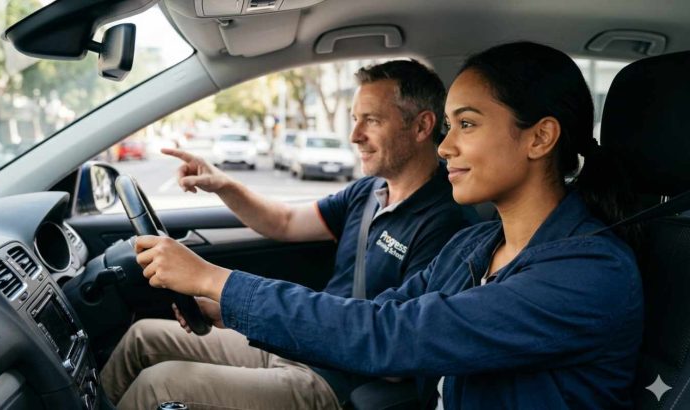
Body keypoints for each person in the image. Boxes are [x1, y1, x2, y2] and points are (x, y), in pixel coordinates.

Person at [134, 41, 645, 409]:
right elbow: (380, 313)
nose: (445, 147)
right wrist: (229, 308)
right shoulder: (476, 244)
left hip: (356, 385)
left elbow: (390, 336)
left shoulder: (587, 275)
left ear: (539, 138)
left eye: (466, 125)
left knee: (164, 389)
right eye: (449, 127)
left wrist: (215, 279)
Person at [102, 60, 475, 409]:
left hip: (340, 381)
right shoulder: (368, 191)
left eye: (371, 121)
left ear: (422, 126)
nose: (354, 135)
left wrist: (219, 287)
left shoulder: (446, 223)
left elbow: (395, 348)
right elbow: (283, 222)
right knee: (143, 336)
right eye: (354, 119)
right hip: (298, 343)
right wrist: (223, 185)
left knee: (162, 383)